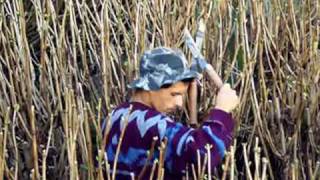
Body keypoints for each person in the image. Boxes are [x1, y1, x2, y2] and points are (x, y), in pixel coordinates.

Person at [102, 47, 239, 179]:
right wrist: (222, 111)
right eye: (174, 94)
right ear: (151, 86)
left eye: (182, 95)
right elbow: (203, 156)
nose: (179, 103)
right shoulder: (152, 124)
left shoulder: (112, 117)